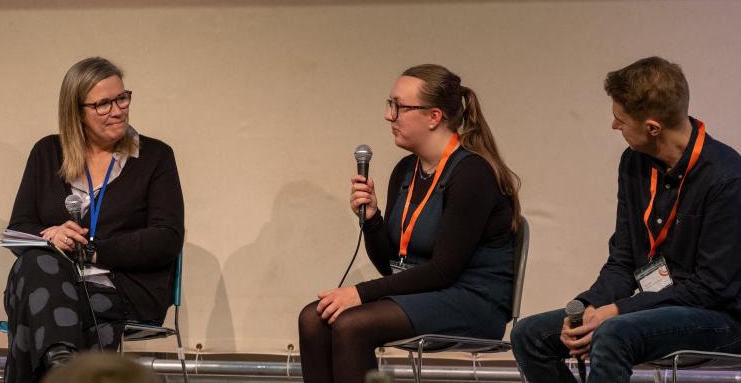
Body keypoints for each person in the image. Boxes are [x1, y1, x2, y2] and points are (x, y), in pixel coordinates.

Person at [511, 56, 741, 382]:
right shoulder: (634, 163)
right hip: (655, 308)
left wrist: (617, 311)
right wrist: (586, 307)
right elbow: (623, 260)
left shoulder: (726, 178)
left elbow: (710, 289)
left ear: (653, 127)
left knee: (614, 333)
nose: (614, 126)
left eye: (621, 119)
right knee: (529, 334)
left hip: (718, 317)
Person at [298, 64, 521, 383]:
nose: (390, 116)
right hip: (426, 293)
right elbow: (392, 265)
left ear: (433, 117)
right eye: (390, 105)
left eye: (399, 107)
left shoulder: (472, 174)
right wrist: (373, 220)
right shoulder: (406, 170)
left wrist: (360, 293)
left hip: (472, 299)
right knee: (313, 318)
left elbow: (444, 270)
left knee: (351, 323)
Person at [3, 57, 184, 382]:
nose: (117, 110)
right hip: (48, 280)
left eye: (121, 98)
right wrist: (52, 237)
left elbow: (166, 237)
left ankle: (59, 366)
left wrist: (95, 251)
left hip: (121, 287)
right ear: (76, 111)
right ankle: (62, 363)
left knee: (37, 308)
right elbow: (17, 231)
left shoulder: (156, 157)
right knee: (38, 264)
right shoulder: (47, 152)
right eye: (103, 104)